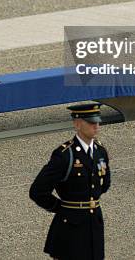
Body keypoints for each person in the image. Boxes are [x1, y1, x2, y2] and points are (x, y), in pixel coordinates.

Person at [29, 103, 111, 260]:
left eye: (98, 122)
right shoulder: (65, 155)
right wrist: (61, 207)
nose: (96, 126)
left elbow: (105, 184)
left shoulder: (100, 151)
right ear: (77, 124)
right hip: (70, 226)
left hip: (94, 223)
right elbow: (37, 191)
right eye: (91, 122)